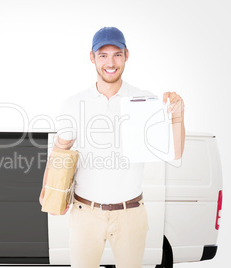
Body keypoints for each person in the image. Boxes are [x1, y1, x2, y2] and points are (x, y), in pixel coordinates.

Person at [39, 26, 185, 268]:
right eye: (103, 55)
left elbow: (176, 153)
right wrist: (49, 191)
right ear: (92, 58)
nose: (110, 62)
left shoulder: (145, 102)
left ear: (127, 55)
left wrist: (178, 115)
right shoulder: (74, 104)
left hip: (131, 214)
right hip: (85, 213)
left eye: (117, 54)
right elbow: (60, 150)